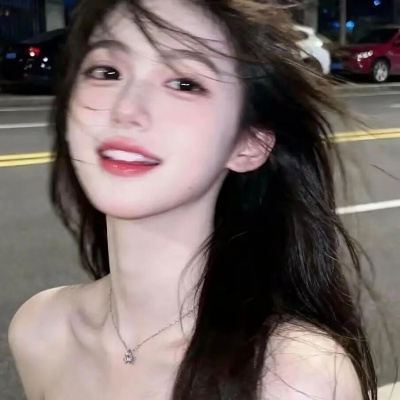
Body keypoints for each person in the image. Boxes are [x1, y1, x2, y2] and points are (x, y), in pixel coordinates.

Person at [8, 0, 377, 399]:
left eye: (185, 83)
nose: (125, 109)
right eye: (107, 72)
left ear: (248, 142)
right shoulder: (40, 332)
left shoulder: (296, 379)